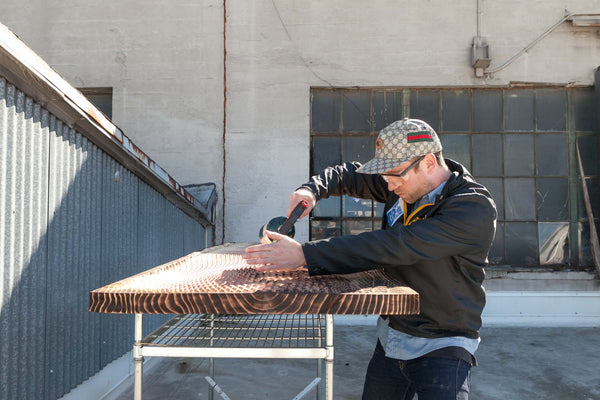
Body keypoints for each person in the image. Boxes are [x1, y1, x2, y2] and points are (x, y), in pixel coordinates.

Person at [243, 118, 497, 400]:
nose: (388, 187)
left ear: (427, 163)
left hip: (443, 343)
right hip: (393, 334)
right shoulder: (407, 181)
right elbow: (349, 174)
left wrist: (305, 254)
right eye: (385, 178)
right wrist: (312, 189)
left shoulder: (472, 209)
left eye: (394, 177)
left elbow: (395, 245)